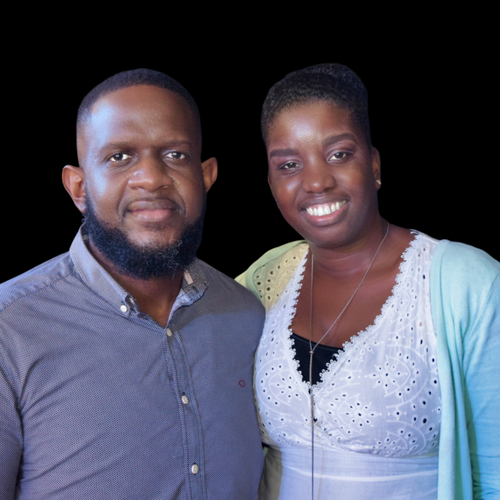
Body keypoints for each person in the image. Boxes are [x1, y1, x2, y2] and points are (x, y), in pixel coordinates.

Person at [237, 64, 500, 499]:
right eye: (289, 164)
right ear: (271, 183)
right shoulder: (265, 278)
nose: (316, 181)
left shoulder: (467, 283)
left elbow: (494, 476)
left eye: (339, 154)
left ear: (374, 165)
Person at [0, 69, 265, 499]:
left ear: (206, 176)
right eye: (120, 156)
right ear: (79, 187)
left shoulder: (247, 315)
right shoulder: (10, 329)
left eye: (176, 154)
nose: (152, 177)